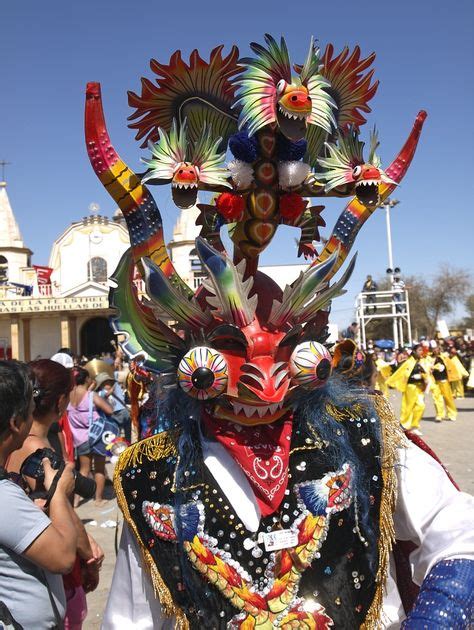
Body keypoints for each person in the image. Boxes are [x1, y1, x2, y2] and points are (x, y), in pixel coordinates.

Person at [86, 35, 473, 629]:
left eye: (287, 352)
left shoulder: (367, 438)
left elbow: (460, 536)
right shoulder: (150, 474)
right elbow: (131, 622)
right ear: (194, 357)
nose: (264, 380)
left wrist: (438, 617)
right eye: (233, 352)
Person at [7, 359, 104, 629]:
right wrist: (89, 554)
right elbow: (61, 513)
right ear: (60, 402)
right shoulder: (38, 449)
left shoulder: (18, 443)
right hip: (48, 556)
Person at [0, 360, 78, 629]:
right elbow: (63, 557)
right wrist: (58, 491)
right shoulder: (3, 498)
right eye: (29, 413)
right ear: (14, 422)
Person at [67, 367, 113, 505]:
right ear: (86, 379)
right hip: (96, 436)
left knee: (83, 469)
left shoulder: (69, 396)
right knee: (99, 469)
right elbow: (109, 410)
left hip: (79, 438)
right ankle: (98, 499)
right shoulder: (91, 396)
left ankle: (75, 500)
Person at [386, 344, 427, 435]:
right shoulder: (408, 362)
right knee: (408, 406)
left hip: (420, 387)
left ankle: (414, 426)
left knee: (421, 405)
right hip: (411, 387)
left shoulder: (422, 361)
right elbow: (402, 374)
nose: (421, 352)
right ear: (414, 351)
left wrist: (424, 376)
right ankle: (404, 425)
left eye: (422, 350)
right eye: (419, 350)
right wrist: (413, 376)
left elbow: (427, 373)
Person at [94, 372, 131, 443]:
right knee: (115, 433)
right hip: (112, 416)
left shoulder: (115, 390)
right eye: (106, 383)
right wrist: (111, 390)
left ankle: (127, 443)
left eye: (110, 382)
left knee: (127, 433)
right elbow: (106, 394)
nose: (109, 384)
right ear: (101, 385)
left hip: (122, 413)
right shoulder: (100, 393)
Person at [430, 345, 457, 422]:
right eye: (433, 349)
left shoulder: (444, 357)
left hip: (444, 380)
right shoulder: (430, 358)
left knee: (448, 398)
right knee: (436, 398)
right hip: (434, 381)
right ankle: (439, 414)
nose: (435, 350)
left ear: (439, 349)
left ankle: (452, 414)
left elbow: (450, 367)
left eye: (436, 348)